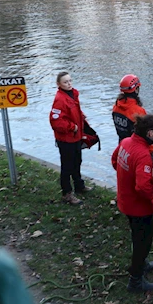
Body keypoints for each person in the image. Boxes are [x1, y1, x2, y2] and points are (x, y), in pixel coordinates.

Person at [113, 114, 153, 292]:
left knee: (136, 235)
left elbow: (114, 160)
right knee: (144, 242)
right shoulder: (143, 155)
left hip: (125, 201)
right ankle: (135, 280)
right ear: (149, 133)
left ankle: (141, 264)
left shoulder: (126, 142)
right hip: (139, 207)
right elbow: (142, 187)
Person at [50, 71, 91, 205]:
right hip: (66, 139)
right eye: (65, 82)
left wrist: (81, 115)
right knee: (67, 166)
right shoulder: (59, 100)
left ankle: (79, 185)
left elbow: (73, 111)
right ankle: (67, 193)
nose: (69, 84)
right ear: (59, 84)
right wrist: (72, 127)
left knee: (77, 161)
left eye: (70, 81)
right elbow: (55, 121)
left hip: (76, 137)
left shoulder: (73, 94)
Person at [112, 74, 145, 144]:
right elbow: (146, 135)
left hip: (122, 145)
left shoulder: (116, 106)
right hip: (136, 148)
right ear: (136, 90)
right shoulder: (138, 111)